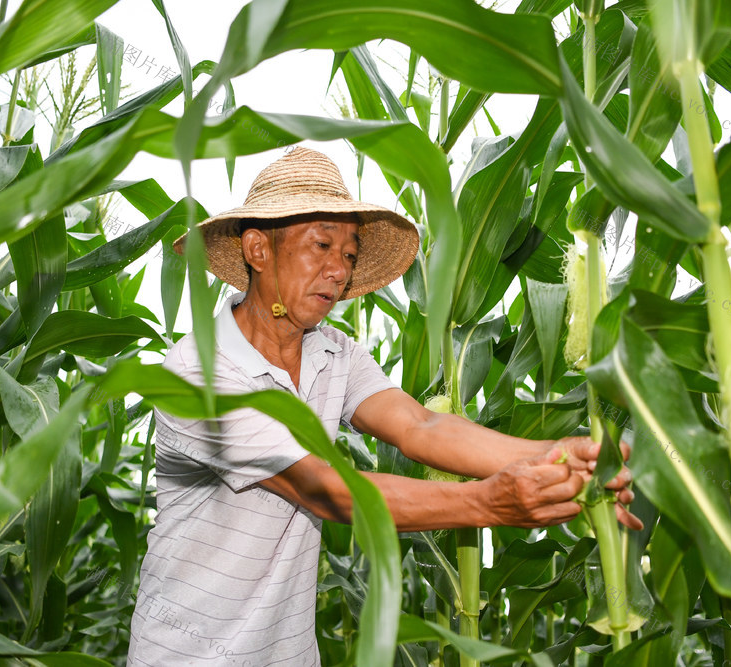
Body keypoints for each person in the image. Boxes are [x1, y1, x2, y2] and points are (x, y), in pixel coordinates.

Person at [127, 147, 641, 666]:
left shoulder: (334, 353)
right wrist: (489, 504)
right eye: (321, 245)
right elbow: (326, 490)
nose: (338, 272)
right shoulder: (199, 373)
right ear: (258, 250)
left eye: (349, 256)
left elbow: (420, 425)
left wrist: (554, 453)